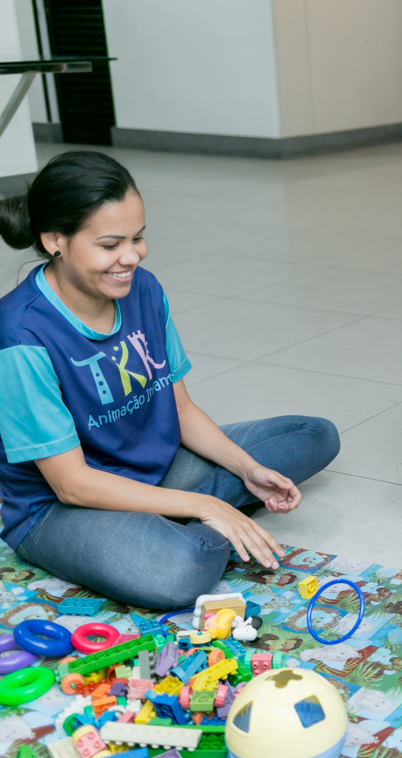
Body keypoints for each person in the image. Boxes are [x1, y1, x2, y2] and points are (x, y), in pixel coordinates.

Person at [0, 152, 340, 609]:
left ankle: (168, 512)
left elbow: (179, 408)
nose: (131, 256)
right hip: (61, 507)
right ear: (55, 240)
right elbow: (71, 484)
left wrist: (247, 470)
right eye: (110, 244)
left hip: (154, 466)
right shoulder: (20, 333)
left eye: (138, 238)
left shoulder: (143, 288)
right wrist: (207, 506)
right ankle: (185, 516)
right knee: (183, 569)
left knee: (315, 434)